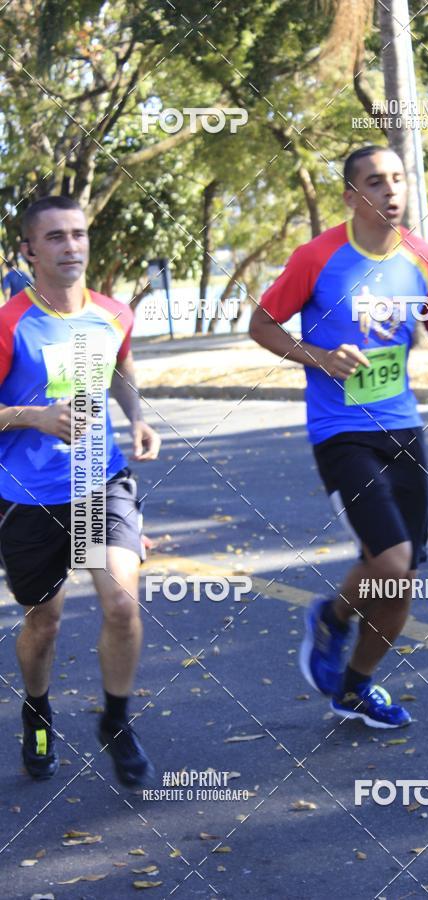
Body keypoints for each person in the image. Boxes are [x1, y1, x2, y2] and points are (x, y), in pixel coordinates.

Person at [250, 145, 428, 729]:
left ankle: (352, 682)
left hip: (402, 427)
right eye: (375, 182)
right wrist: (321, 357)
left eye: (397, 179)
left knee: (398, 575)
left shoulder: (427, 259)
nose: (391, 190)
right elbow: (262, 324)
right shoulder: (317, 257)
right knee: (393, 563)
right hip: (341, 431)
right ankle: (334, 619)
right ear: (352, 197)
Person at [0, 195, 161, 783]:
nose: (71, 246)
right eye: (55, 237)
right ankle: (37, 711)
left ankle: (116, 721)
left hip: (99, 480)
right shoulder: (10, 324)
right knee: (44, 623)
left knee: (121, 603)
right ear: (29, 251)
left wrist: (136, 416)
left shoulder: (114, 313)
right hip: (27, 494)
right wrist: (35, 417)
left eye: (78, 234)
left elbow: (120, 365)